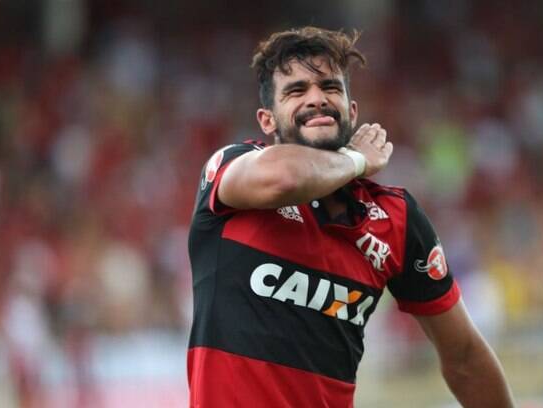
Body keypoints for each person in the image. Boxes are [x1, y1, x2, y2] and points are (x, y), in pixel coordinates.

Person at [187, 26, 514, 407]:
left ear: (352, 111)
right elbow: (287, 176)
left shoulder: (395, 218)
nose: (317, 99)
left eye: (330, 87)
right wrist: (356, 160)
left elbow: (464, 358)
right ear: (267, 120)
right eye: (296, 91)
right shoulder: (232, 172)